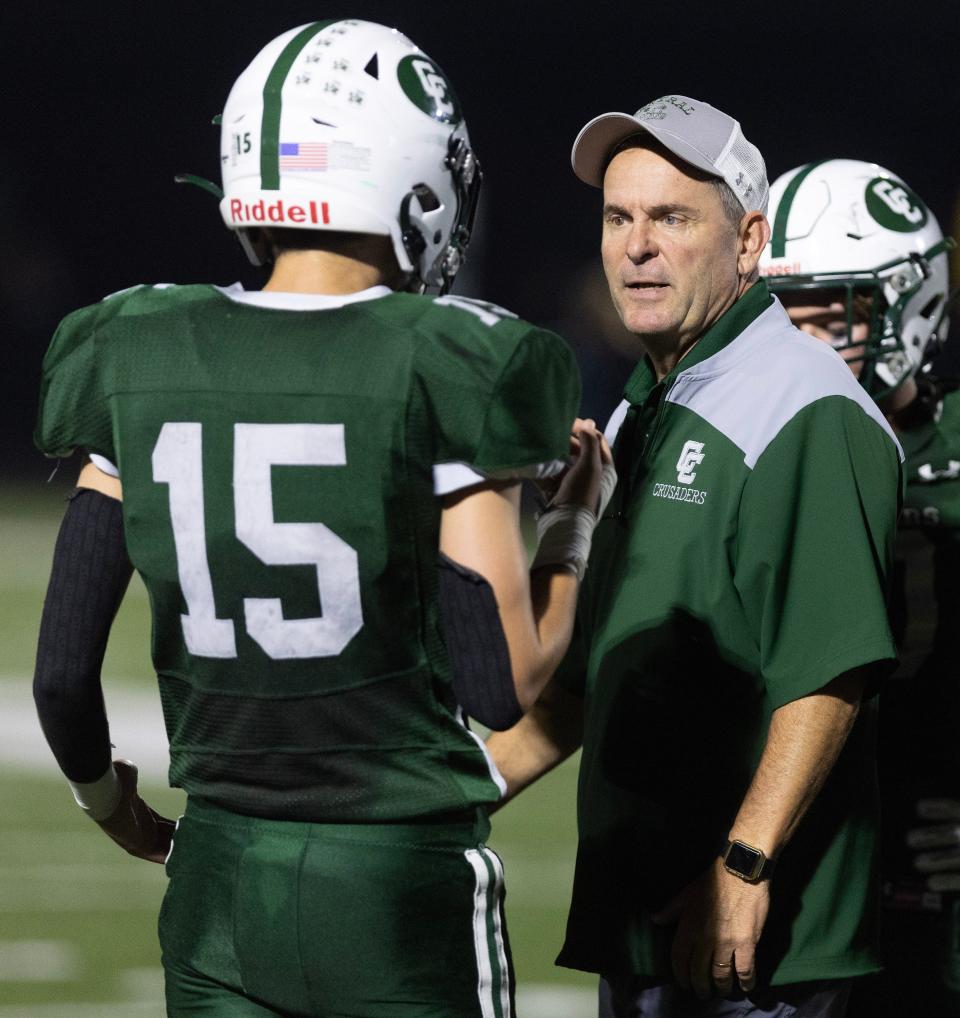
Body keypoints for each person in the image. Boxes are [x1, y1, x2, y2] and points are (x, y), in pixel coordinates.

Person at [32, 20, 613, 1018]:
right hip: (398, 884)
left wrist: (105, 798)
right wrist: (576, 527)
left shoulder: (136, 346)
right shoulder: (456, 357)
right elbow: (504, 679)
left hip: (217, 879)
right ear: (415, 179)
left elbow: (59, 670)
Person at [487, 96, 904, 1017]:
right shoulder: (651, 405)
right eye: (617, 217)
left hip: (749, 949)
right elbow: (593, 685)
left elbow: (830, 673)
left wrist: (742, 864)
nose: (637, 245)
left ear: (749, 241)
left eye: (672, 218)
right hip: (647, 927)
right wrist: (456, 794)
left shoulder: (806, 409)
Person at [758, 157, 957, 1016]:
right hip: (799, 850)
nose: (802, 344)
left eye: (830, 314)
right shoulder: (755, 443)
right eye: (780, 316)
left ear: (911, 303)